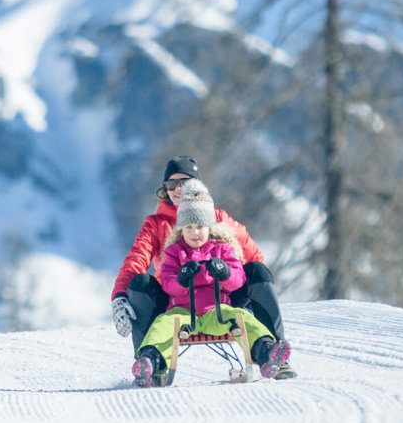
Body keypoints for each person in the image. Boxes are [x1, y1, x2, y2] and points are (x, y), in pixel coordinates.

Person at [111, 155, 296, 379]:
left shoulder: (217, 219)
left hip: (220, 298)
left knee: (258, 270)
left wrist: (230, 278)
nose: (178, 189)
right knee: (141, 283)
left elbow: (253, 256)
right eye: (171, 184)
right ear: (165, 189)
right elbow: (136, 260)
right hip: (176, 300)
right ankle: (150, 365)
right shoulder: (157, 224)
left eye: (185, 182)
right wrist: (120, 296)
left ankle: (273, 357)